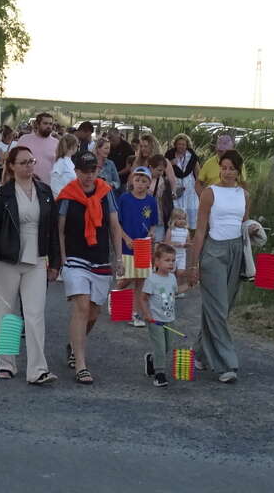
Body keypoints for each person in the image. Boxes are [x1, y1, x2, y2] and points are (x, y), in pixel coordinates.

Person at [0, 146, 60, 385]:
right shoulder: (3, 194)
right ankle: (6, 363)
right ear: (12, 166)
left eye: (31, 161)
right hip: (7, 259)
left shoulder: (45, 191)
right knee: (7, 313)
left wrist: (55, 262)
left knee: (35, 314)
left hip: (37, 259)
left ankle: (38, 369)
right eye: (23, 162)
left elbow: (53, 230)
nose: (29, 166)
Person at [57, 151, 124, 385]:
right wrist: (62, 259)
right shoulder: (67, 195)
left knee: (94, 313)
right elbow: (59, 230)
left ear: (98, 170)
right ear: (76, 171)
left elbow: (114, 226)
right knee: (82, 307)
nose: (88, 176)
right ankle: (81, 365)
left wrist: (119, 258)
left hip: (100, 258)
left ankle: (74, 344)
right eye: (83, 171)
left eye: (92, 171)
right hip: (75, 258)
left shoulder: (106, 192)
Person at [190, 150, 255, 384]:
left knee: (222, 308)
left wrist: (252, 229)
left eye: (231, 168)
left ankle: (199, 353)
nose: (227, 172)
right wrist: (194, 265)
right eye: (224, 168)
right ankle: (226, 364)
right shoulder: (210, 193)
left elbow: (244, 224)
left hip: (236, 250)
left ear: (239, 170)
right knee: (217, 309)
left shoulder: (244, 195)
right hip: (213, 253)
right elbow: (200, 231)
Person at [117, 166, 158, 328]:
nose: (140, 183)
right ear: (132, 181)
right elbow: (117, 223)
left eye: (143, 181)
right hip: (126, 246)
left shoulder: (151, 201)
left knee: (140, 280)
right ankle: (119, 307)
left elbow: (153, 223)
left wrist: (152, 233)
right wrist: (126, 238)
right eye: (137, 180)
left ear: (149, 183)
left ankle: (135, 313)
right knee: (125, 279)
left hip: (143, 246)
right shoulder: (124, 199)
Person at [140, 243, 179, 388]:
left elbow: (175, 292)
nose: (171, 263)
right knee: (160, 347)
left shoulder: (172, 278)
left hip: (169, 319)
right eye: (167, 260)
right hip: (155, 320)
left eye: (173, 260)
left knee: (167, 346)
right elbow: (143, 298)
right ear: (156, 261)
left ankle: (151, 359)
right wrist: (147, 314)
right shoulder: (152, 280)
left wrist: (189, 285)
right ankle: (159, 374)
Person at [165, 134, 200, 230]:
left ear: (187, 145)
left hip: (189, 187)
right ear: (175, 145)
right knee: (177, 210)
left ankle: (190, 232)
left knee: (191, 209)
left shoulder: (192, 156)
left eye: (183, 144)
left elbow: (197, 173)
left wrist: (199, 188)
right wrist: (171, 163)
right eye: (179, 144)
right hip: (176, 185)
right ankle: (175, 233)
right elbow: (163, 169)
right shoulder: (169, 155)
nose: (181, 146)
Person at [16, 113, 57, 185]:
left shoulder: (57, 143)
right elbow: (15, 160)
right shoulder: (24, 139)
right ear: (37, 124)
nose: (48, 126)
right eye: (45, 123)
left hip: (48, 186)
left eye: (50, 124)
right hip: (24, 184)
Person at [148, 154, 176, 243]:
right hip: (146, 217)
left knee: (159, 243)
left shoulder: (164, 182)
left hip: (160, 218)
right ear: (151, 167)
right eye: (159, 170)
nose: (161, 173)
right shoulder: (143, 180)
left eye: (163, 171)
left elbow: (168, 203)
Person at [164, 208, 191, 298]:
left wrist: (187, 245)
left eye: (183, 219)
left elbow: (188, 242)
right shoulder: (171, 230)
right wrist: (175, 244)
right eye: (179, 219)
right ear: (174, 220)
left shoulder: (186, 231)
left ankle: (178, 289)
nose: (182, 221)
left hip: (182, 255)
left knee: (180, 272)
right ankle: (170, 290)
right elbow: (166, 242)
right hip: (172, 256)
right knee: (171, 273)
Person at [50, 134, 79, 198]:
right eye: (77, 146)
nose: (77, 148)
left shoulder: (69, 161)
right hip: (61, 198)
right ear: (72, 146)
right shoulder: (61, 162)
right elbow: (54, 182)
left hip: (69, 196)